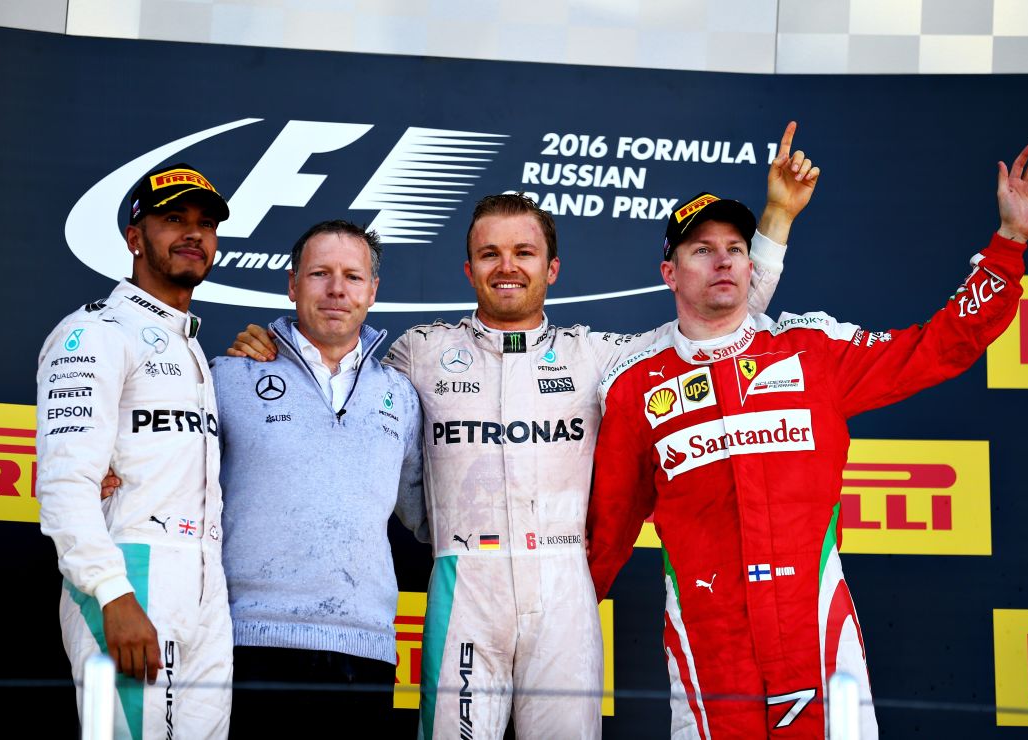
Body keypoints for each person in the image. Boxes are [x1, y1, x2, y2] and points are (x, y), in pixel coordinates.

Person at [230, 122, 819, 738]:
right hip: (462, 579)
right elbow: (339, 379)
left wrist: (776, 219)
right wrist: (271, 346)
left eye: (524, 253)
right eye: (490, 254)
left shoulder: (595, 356)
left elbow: (720, 321)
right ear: (467, 268)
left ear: (553, 268)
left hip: (565, 579)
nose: (506, 267)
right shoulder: (421, 351)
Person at [584, 143, 1028, 739]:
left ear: (752, 265)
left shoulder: (812, 351)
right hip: (709, 646)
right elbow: (607, 531)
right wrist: (561, 625)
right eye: (702, 250)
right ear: (669, 271)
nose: (724, 262)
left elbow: (938, 348)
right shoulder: (633, 385)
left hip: (817, 633)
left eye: (735, 248)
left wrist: (1009, 243)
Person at [36, 162, 233, 738]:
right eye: (173, 219)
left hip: (204, 588)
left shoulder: (194, 347)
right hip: (132, 579)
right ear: (133, 238)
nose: (193, 234)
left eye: (205, 223)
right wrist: (111, 594)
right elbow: (64, 483)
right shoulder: (95, 332)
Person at [209, 219, 427, 733]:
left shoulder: (402, 395)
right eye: (319, 274)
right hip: (248, 642)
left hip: (365, 648)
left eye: (352, 277)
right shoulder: (228, 376)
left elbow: (430, 517)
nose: (336, 290)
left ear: (373, 291)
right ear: (292, 284)